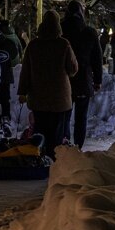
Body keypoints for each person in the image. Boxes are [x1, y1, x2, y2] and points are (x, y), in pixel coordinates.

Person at [17, 10, 78, 159]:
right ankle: (54, 162)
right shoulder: (63, 44)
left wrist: (22, 92)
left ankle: (39, 159)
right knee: (57, 134)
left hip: (38, 98)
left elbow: (26, 71)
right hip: (59, 99)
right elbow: (73, 69)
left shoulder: (33, 45)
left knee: (40, 132)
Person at [61, 1, 103, 149]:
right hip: (83, 80)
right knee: (81, 117)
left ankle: (64, 145)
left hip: (64, 80)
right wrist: (97, 80)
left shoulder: (61, 31)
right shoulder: (89, 32)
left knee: (64, 115)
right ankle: (78, 146)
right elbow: (97, 59)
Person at [0, 17, 22, 133]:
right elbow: (13, 57)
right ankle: (5, 118)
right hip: (6, 75)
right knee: (5, 98)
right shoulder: (8, 43)